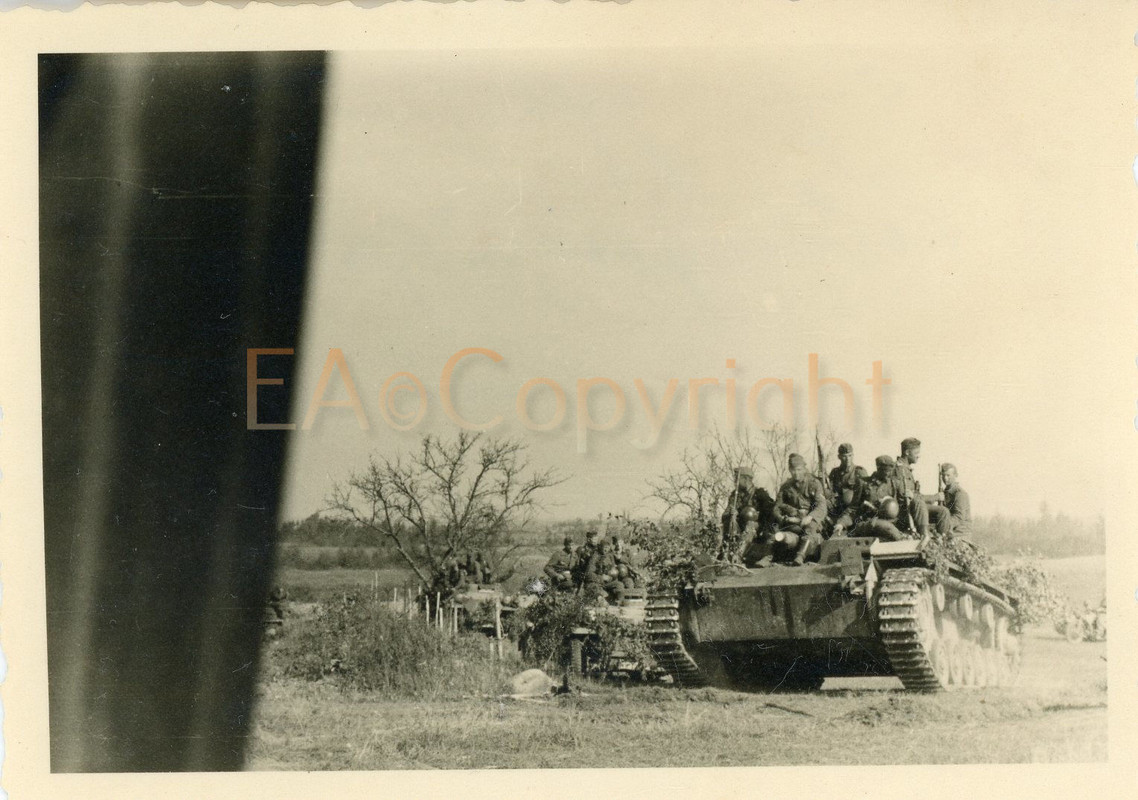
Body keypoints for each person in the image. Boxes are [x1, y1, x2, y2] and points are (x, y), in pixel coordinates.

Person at [773, 453, 829, 565]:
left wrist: (810, 517)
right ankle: (769, 555)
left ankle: (800, 556)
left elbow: (821, 506)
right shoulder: (786, 487)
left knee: (810, 528)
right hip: (792, 522)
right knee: (775, 531)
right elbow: (777, 508)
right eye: (793, 470)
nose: (796, 473)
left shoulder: (813, 483)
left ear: (804, 469)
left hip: (810, 521)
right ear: (790, 470)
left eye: (799, 469)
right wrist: (784, 519)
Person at [719, 466, 775, 561]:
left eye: (737, 479)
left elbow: (769, 513)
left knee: (750, 524)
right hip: (739, 527)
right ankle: (725, 553)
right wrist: (731, 514)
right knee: (728, 522)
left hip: (757, 528)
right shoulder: (735, 496)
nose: (735, 481)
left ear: (746, 479)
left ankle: (738, 555)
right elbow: (725, 515)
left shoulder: (760, 494)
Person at [827, 442, 869, 537]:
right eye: (844, 456)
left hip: (855, 510)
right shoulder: (835, 473)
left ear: (853, 455)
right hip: (838, 509)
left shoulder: (859, 471)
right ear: (839, 457)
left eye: (850, 456)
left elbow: (866, 495)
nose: (848, 459)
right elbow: (831, 492)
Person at [893, 437, 931, 541]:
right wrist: (934, 497)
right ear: (907, 452)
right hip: (903, 512)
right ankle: (925, 536)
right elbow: (904, 495)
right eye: (916, 452)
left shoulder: (906, 469)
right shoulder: (900, 469)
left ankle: (943, 540)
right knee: (919, 503)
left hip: (911, 509)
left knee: (942, 511)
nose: (918, 456)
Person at [930, 463, 971, 536]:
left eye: (948, 475)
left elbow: (959, 517)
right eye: (943, 475)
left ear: (955, 475)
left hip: (960, 532)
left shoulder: (959, 493)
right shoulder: (944, 492)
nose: (945, 478)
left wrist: (943, 525)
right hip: (949, 530)